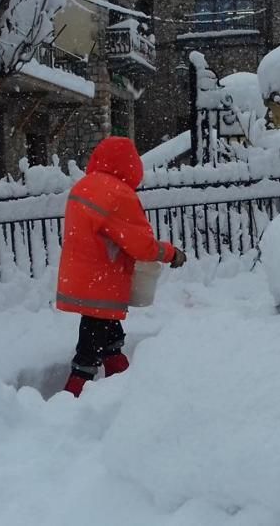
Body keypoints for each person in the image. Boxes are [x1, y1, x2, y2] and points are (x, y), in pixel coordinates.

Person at [57, 137, 187, 397]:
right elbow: (142, 247)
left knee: (107, 334)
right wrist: (171, 253)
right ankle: (70, 398)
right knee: (90, 348)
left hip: (80, 275)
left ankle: (122, 379)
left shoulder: (84, 186)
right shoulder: (119, 194)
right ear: (132, 166)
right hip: (103, 278)